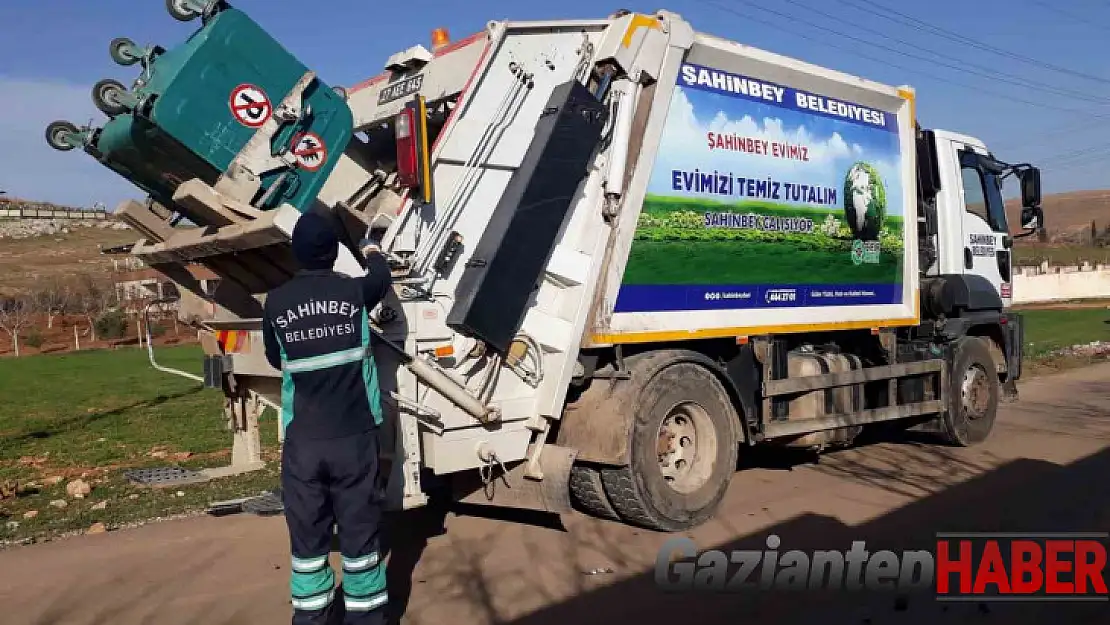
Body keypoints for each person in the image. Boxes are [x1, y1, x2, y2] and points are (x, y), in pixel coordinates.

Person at [262, 209, 392, 625]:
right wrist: (372, 248)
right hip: (354, 440)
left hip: (304, 445)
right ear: (334, 253)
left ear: (296, 253)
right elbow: (381, 278)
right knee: (359, 539)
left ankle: (312, 618)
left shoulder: (276, 304)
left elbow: (274, 358)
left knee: (308, 543)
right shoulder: (355, 294)